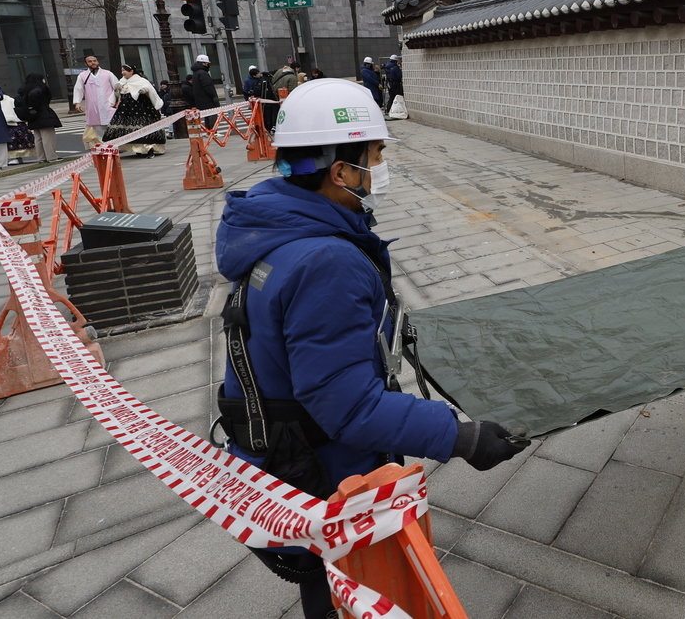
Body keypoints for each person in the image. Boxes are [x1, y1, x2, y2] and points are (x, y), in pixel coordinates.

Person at [213, 78, 526, 617]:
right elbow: (349, 407)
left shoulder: (275, 227)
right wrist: (462, 438)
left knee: (334, 589)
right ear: (340, 172)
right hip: (324, 472)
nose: (381, 165)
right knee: (351, 589)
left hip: (284, 454)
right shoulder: (323, 263)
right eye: (375, 154)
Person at [104, 63, 167, 157]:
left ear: (132, 71)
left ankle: (149, 150)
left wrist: (145, 91)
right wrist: (116, 90)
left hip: (142, 108)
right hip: (126, 110)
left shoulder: (141, 81)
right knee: (127, 129)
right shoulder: (121, 82)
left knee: (144, 128)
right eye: (122, 70)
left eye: (125, 70)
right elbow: (118, 95)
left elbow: (151, 91)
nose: (123, 72)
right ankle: (138, 149)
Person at [72, 55, 118, 147]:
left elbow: (117, 88)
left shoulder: (107, 74)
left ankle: (114, 149)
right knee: (99, 132)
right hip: (93, 109)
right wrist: (77, 102)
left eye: (94, 60)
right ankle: (107, 151)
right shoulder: (83, 76)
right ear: (86, 64)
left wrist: (118, 101)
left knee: (112, 130)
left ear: (98, 62)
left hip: (108, 106)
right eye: (90, 61)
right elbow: (78, 89)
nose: (93, 63)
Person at [16, 73, 62, 163]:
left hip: (32, 116)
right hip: (44, 115)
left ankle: (41, 158)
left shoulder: (25, 90)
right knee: (48, 137)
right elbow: (46, 100)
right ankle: (51, 156)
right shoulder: (41, 89)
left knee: (38, 138)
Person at [191, 54, 218, 129]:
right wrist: (214, 96)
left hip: (200, 100)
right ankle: (213, 131)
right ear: (203, 63)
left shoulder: (195, 73)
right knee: (212, 115)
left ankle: (208, 130)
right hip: (208, 99)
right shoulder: (203, 73)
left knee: (206, 116)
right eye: (207, 63)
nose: (208, 65)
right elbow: (208, 86)